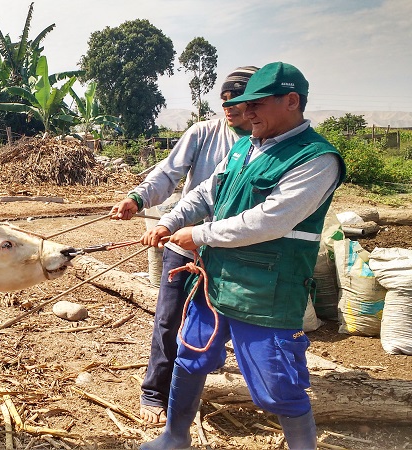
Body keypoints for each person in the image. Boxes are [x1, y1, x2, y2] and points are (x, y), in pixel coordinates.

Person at [139, 62, 346, 450]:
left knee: (276, 387)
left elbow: (268, 221)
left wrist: (198, 234)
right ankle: (174, 436)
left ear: (291, 101)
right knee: (191, 357)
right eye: (244, 105)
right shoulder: (244, 148)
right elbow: (205, 194)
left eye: (257, 105)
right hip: (215, 281)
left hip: (265, 292)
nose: (246, 113)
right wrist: (171, 221)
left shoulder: (316, 159)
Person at [110, 66, 259, 424]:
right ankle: (155, 391)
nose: (229, 107)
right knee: (169, 317)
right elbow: (169, 173)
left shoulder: (264, 144)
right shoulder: (204, 133)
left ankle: (251, 387)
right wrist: (139, 198)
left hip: (236, 248)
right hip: (185, 241)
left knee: (230, 322)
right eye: (224, 100)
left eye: (237, 100)